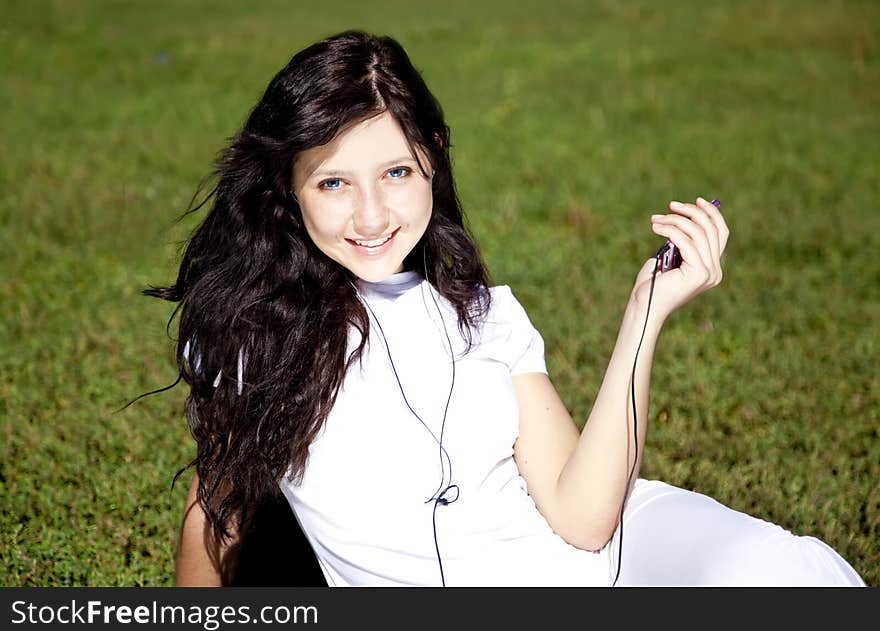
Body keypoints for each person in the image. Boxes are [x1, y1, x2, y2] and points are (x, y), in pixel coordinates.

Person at [148, 30, 865, 587]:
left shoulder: (485, 313)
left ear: (433, 155)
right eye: (334, 183)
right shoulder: (251, 336)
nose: (371, 214)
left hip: (613, 561)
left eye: (396, 172)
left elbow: (585, 518)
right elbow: (215, 515)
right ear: (290, 188)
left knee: (788, 574)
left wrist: (645, 313)